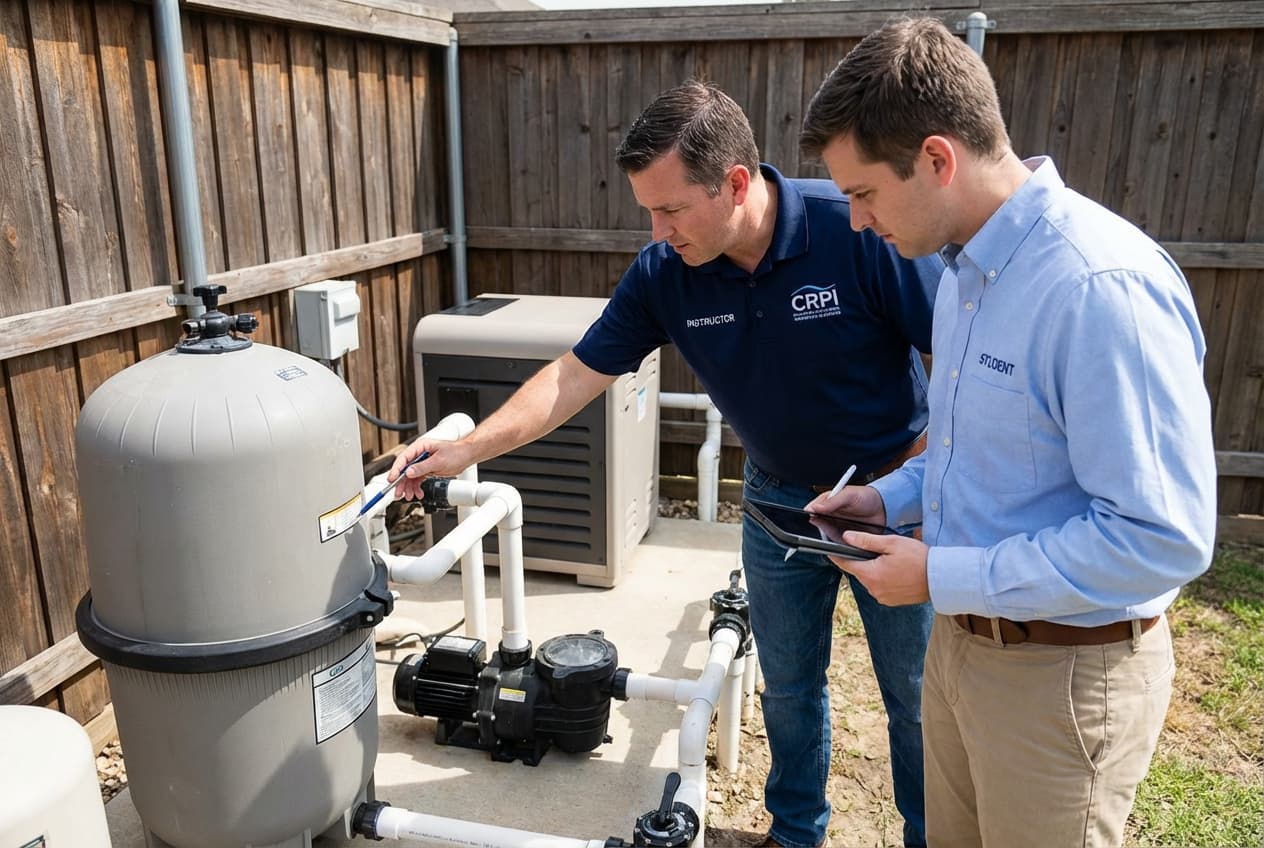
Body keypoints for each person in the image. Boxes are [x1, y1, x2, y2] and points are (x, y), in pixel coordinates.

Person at [389, 80, 943, 848]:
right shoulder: (665, 273)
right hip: (779, 499)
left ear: (737, 184)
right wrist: (468, 446)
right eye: (648, 210)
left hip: (894, 494)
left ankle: (930, 834)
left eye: (672, 208)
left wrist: (918, 479)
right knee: (788, 688)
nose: (657, 229)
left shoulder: (851, 229)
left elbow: (956, 355)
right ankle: (795, 834)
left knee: (914, 694)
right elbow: (574, 374)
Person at [798, 18, 1217, 848]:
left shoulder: (1099, 287)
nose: (853, 221)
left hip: (1064, 677)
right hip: (964, 654)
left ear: (937, 159)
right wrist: (885, 498)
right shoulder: (962, 275)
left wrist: (943, 575)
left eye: (863, 193)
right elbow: (970, 457)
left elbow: (1161, 538)